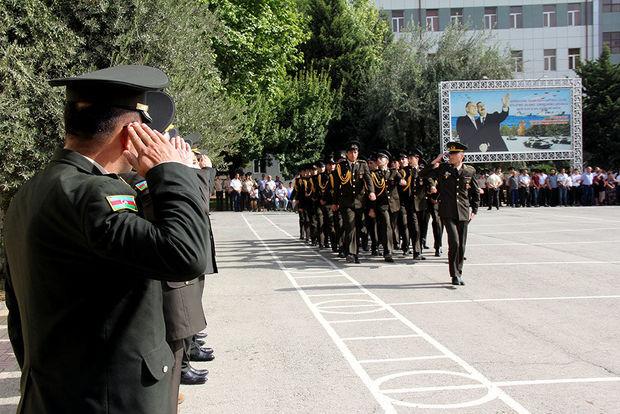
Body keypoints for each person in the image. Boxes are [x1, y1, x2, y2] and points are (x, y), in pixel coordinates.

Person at [3, 65, 211, 413]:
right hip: (109, 399)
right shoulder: (97, 195)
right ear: (132, 132)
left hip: (56, 392)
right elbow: (185, 255)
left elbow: (17, 314)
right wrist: (173, 172)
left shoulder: (30, 191)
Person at [422, 142, 480, 286]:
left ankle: (459, 272)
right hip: (447, 211)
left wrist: (475, 210)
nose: (451, 156)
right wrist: (436, 161)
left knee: (461, 245)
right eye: (450, 154)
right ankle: (454, 274)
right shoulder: (443, 168)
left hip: (463, 211)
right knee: (454, 242)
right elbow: (422, 174)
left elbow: (475, 191)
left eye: (453, 154)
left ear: (461, 156)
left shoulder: (469, 170)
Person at [332, 141, 375, 263]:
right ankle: (351, 253)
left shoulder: (363, 164)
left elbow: (368, 179)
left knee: (358, 227)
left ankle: (354, 253)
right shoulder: (341, 167)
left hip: (360, 201)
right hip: (346, 202)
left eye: (355, 152)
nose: (353, 154)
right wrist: (335, 202)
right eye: (350, 152)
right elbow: (336, 186)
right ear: (347, 154)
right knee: (350, 225)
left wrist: (371, 192)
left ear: (358, 153)